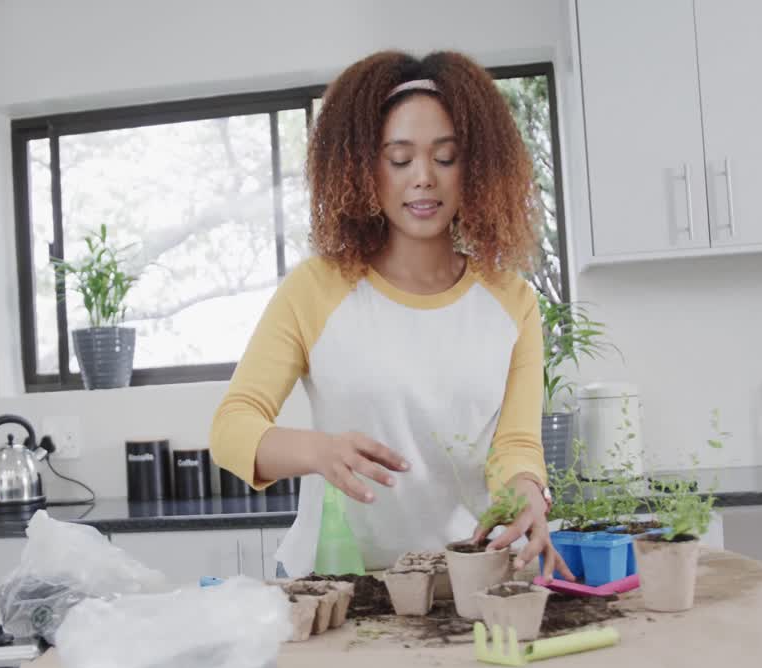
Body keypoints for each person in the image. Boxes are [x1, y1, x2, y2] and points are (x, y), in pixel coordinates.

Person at [209, 50, 574, 582]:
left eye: (445, 158)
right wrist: (318, 451)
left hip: (464, 580)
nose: (423, 178)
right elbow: (232, 427)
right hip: (337, 585)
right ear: (363, 168)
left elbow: (515, 446)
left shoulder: (511, 301)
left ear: (475, 168)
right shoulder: (316, 290)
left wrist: (525, 494)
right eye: (399, 159)